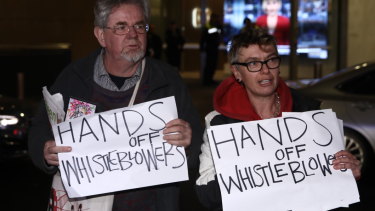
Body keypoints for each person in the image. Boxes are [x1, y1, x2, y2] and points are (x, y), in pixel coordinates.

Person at [28, 0, 203, 210]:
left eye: (139, 26)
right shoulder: (74, 79)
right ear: (101, 35)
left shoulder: (167, 81)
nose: (133, 34)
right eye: (121, 27)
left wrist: (188, 142)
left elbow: (198, 145)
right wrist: (45, 151)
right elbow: (39, 128)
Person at [195, 28, 361, 211]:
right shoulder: (219, 123)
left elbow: (329, 183)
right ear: (237, 72)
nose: (265, 70)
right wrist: (247, 169)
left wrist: (347, 169)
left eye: (271, 60)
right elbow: (206, 195)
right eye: (253, 64)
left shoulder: (310, 112)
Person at [200, 13, 223, 86]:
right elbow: (206, 34)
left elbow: (221, 33)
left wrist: (219, 27)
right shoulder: (209, 25)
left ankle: (210, 79)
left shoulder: (217, 26)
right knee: (209, 65)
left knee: (213, 64)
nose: (217, 19)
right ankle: (206, 80)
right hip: (210, 48)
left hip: (215, 47)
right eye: (216, 18)